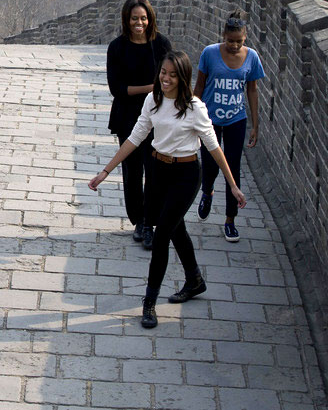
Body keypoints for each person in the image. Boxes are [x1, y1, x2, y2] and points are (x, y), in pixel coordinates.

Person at [89, 51, 246, 329]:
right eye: (163, 73)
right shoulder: (153, 100)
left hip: (186, 174)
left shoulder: (194, 107)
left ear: (182, 77)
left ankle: (149, 302)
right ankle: (194, 279)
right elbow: (136, 137)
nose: (166, 78)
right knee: (176, 229)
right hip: (158, 170)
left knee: (161, 235)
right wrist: (106, 170)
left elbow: (213, 147)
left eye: (173, 75)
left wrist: (232, 185)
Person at [194, 9, 265, 242]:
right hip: (209, 119)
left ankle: (230, 220)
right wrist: (191, 115)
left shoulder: (252, 57)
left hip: (236, 119)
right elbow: (200, 86)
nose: (234, 45)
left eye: (239, 41)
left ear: (245, 38)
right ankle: (207, 191)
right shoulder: (209, 53)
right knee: (210, 163)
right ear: (223, 35)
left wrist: (255, 124)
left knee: (233, 169)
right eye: (230, 40)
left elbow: (252, 90)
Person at [106, 0, 172, 249]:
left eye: (143, 18)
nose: (140, 22)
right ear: (127, 19)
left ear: (150, 18)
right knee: (132, 171)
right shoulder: (117, 47)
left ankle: (151, 222)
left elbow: (173, 77)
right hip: (128, 117)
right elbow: (117, 89)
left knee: (155, 170)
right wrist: (152, 88)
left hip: (158, 117)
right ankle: (139, 220)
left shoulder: (161, 44)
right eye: (135, 18)